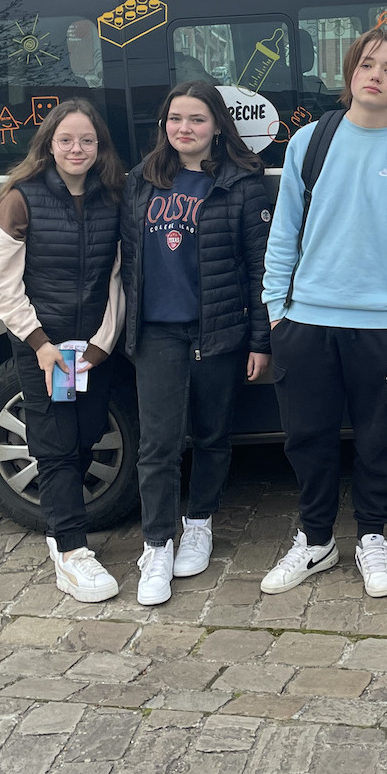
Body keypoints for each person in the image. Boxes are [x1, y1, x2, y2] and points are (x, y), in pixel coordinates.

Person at [258, 28, 387, 598]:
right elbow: (285, 231)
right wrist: (276, 310)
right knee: (307, 440)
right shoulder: (309, 144)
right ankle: (316, 541)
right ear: (350, 74)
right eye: (368, 64)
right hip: (305, 322)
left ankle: (371, 538)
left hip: (385, 327)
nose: (376, 76)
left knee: (376, 442)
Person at [119, 80, 272, 606]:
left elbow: (259, 268)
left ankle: (200, 521)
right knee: (158, 444)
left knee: (212, 435)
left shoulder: (242, 183)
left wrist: (260, 339)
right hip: (157, 331)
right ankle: (158, 543)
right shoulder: (140, 181)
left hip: (218, 330)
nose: (185, 129)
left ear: (217, 127)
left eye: (197, 120)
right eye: (175, 119)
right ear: (163, 125)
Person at [0, 99, 126, 602]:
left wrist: (101, 346)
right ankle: (70, 551)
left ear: (99, 146)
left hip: (91, 349)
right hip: (41, 347)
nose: (77, 149)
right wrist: (42, 347)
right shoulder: (21, 199)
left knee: (87, 434)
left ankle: (62, 531)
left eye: (87, 140)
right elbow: (2, 287)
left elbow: (118, 279)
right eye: (66, 139)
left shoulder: (114, 196)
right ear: (49, 144)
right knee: (56, 444)